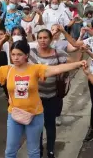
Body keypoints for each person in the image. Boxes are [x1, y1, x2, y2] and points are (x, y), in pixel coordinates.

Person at [0, 40, 85, 158]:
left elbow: (57, 69)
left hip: (35, 115)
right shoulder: (7, 70)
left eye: (19, 54)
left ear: (27, 55)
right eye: (13, 54)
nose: (15, 58)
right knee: (10, 151)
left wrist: (78, 64)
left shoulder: (35, 69)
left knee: (33, 151)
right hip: (14, 115)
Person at [28, 29, 79, 158]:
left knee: (50, 125)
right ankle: (38, 150)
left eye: (45, 37)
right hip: (36, 97)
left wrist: (82, 54)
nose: (42, 40)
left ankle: (50, 151)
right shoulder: (31, 53)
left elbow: (74, 64)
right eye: (40, 38)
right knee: (37, 126)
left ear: (51, 39)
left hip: (52, 97)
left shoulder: (59, 54)